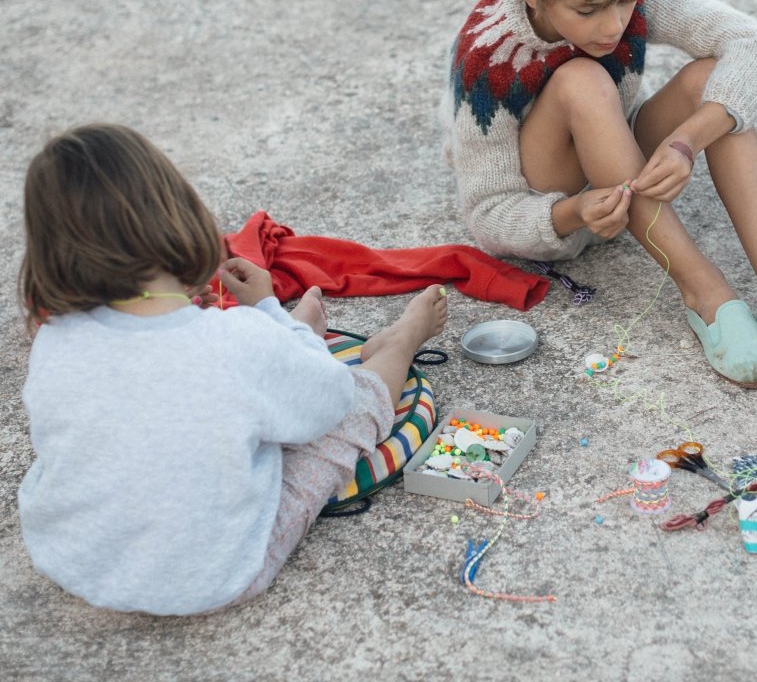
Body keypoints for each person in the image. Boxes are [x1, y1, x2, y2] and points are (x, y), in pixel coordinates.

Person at [16, 124, 449, 616]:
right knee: (353, 407)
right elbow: (329, 403)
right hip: (212, 575)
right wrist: (266, 310)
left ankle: (295, 333)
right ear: (176, 215)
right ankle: (400, 339)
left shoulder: (55, 339)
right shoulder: (233, 341)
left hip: (71, 555)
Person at [444, 0, 757, 401]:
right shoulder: (487, 52)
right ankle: (704, 291)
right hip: (562, 198)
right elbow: (488, 213)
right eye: (588, 12)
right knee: (582, 80)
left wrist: (685, 142)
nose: (613, 26)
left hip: (625, 160)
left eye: (627, 2)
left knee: (713, 83)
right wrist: (573, 212)